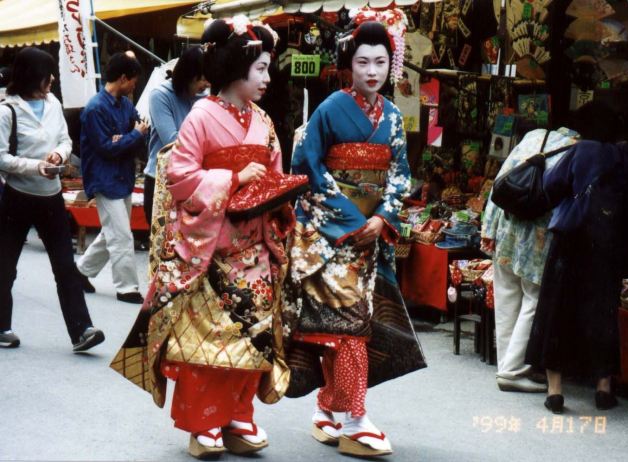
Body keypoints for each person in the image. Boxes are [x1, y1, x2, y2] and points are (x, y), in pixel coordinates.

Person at [110, 16, 297, 459]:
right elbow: (179, 176)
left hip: (253, 248)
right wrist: (232, 178)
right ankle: (203, 423)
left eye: (268, 69)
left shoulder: (264, 122)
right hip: (211, 249)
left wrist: (280, 195)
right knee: (208, 337)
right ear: (235, 68)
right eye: (261, 69)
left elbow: (273, 175)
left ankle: (238, 416)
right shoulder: (202, 116)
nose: (268, 78)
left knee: (252, 335)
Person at [283, 9, 426, 457]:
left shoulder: (394, 118)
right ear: (350, 66)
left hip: (371, 236)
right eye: (363, 62)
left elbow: (401, 174)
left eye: (380, 63)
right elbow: (307, 167)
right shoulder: (331, 109)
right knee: (351, 328)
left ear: (391, 64)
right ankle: (356, 418)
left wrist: (383, 218)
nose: (371, 72)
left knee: (351, 327)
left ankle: (328, 408)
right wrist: (351, 220)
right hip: (331, 239)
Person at [525, 101, 628, 414]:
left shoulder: (578, 151)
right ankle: (603, 388)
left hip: (571, 241)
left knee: (557, 312)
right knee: (602, 314)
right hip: (607, 245)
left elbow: (550, 187)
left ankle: (555, 391)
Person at [0, 47, 104, 352]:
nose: (53, 80)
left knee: (64, 266)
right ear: (33, 77)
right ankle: (1, 326)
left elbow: (64, 137)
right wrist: (36, 166)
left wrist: (58, 154)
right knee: (5, 266)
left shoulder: (53, 102)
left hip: (51, 197)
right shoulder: (7, 110)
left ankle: (82, 330)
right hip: (17, 198)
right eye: (48, 75)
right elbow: (1, 157)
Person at [481, 127, 577, 393]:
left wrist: (488, 227)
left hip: (507, 227)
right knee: (533, 299)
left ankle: (506, 366)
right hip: (538, 236)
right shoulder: (576, 149)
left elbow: (501, 180)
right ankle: (512, 370)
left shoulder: (533, 136)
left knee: (507, 297)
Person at [75, 52, 149, 304]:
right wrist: (132, 136)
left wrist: (127, 137)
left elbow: (137, 128)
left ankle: (80, 271)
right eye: (133, 82)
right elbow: (107, 147)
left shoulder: (124, 105)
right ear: (123, 78)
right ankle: (127, 287)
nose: (134, 87)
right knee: (121, 235)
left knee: (113, 232)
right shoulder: (95, 108)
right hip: (104, 178)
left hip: (121, 175)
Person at [143, 46, 210, 225]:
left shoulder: (205, 97)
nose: (206, 84)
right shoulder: (160, 95)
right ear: (188, 76)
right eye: (201, 78)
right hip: (162, 182)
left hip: (194, 181)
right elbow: (172, 142)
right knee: (163, 247)